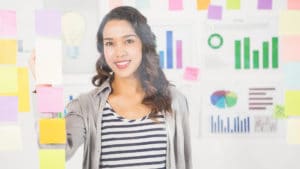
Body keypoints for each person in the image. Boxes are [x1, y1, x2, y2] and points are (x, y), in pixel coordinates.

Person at [30, 6, 192, 169]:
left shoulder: (174, 101)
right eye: (110, 43)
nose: (119, 52)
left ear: (144, 44)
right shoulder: (86, 106)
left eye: (128, 41)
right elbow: (54, 154)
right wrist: (44, 86)